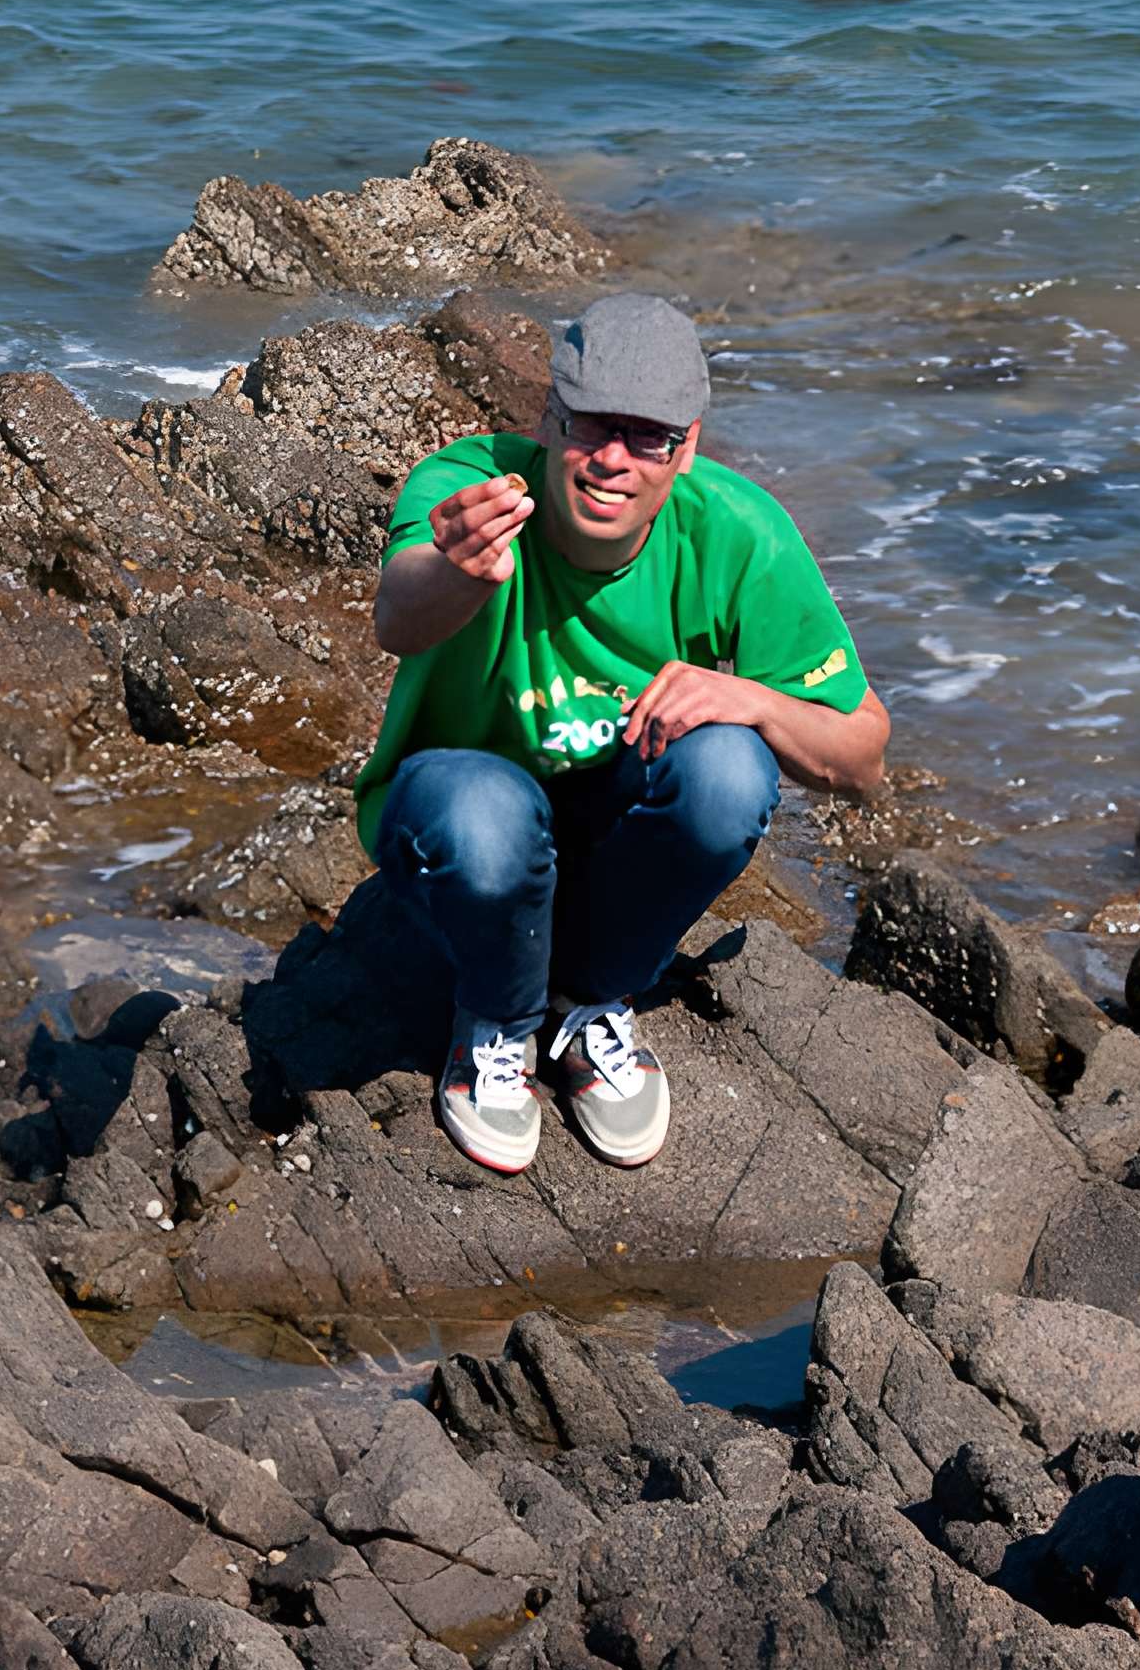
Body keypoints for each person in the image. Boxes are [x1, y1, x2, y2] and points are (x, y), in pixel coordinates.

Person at [356, 292, 890, 1174]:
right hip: (458, 815)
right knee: (485, 822)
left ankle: (590, 998)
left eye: (647, 437)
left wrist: (749, 699)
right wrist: (457, 573)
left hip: (612, 828)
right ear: (546, 418)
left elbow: (863, 752)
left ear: (687, 450)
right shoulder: (472, 487)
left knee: (729, 771)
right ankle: (499, 1019)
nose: (612, 460)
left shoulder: (740, 536)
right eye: (589, 426)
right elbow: (398, 619)